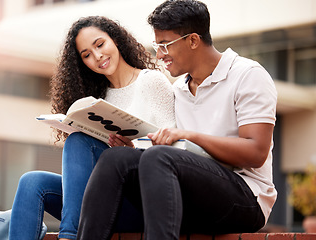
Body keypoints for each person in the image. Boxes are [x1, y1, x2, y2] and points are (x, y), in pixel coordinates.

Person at [75, 1, 278, 240]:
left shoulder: (247, 75)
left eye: (164, 45)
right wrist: (134, 150)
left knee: (158, 157)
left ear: (192, 40)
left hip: (246, 199)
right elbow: (180, 157)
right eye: (156, 45)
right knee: (116, 158)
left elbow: (255, 153)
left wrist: (188, 135)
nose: (159, 55)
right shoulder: (180, 89)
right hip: (191, 196)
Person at [9, 16, 175, 240]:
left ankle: (69, 236)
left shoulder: (151, 82)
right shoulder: (97, 99)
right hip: (101, 202)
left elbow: (175, 151)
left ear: (115, 39)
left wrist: (133, 149)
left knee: (80, 140)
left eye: (100, 45)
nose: (97, 57)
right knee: (31, 182)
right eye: (86, 55)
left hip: (143, 202)